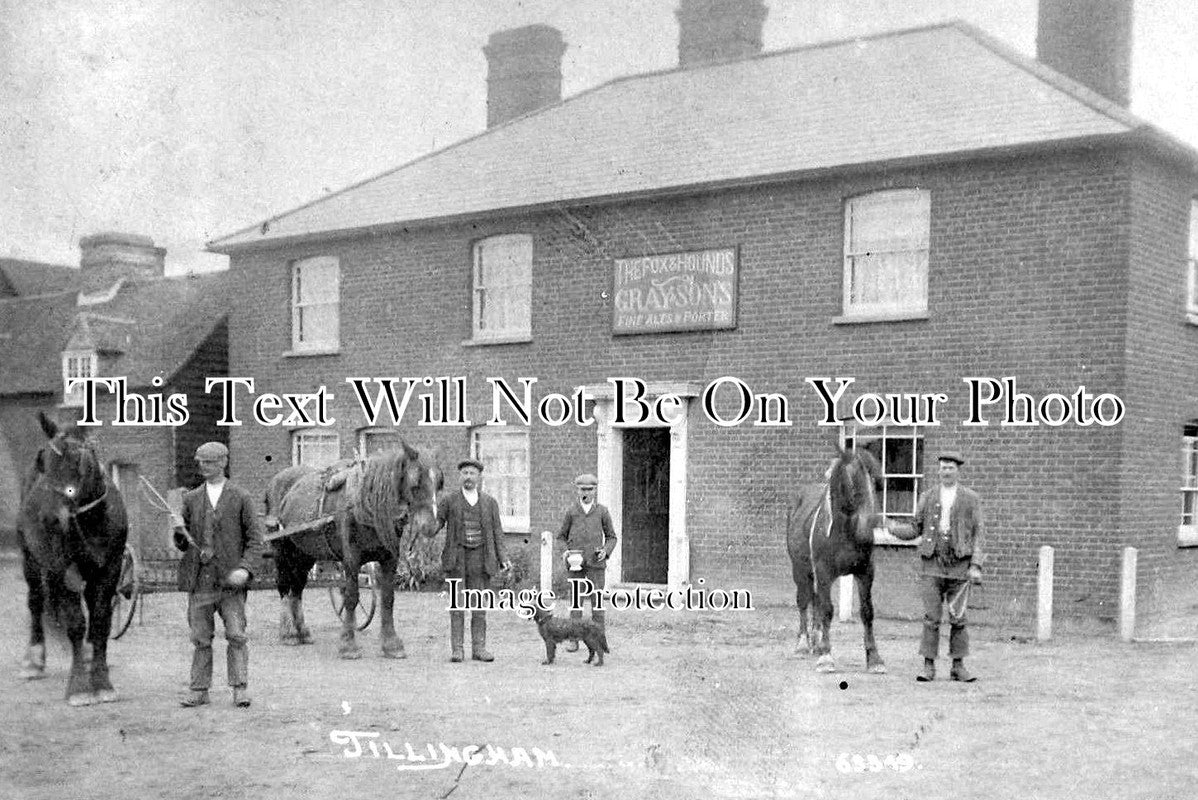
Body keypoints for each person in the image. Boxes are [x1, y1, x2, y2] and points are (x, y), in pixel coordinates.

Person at [170, 442, 265, 707]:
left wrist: (245, 570)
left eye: (209, 462)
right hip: (199, 582)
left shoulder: (241, 497)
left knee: (236, 635)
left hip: (230, 585)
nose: (203, 467)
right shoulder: (190, 499)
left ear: (223, 463)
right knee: (200, 638)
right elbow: (182, 545)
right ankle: (199, 690)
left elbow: (255, 540)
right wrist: (179, 531)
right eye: (200, 462)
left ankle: (240, 689)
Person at [890, 450, 985, 683]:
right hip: (931, 564)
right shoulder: (928, 496)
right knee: (931, 617)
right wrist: (891, 528)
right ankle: (928, 666)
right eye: (943, 467)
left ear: (958, 470)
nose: (946, 471)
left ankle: (958, 666)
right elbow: (915, 529)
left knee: (958, 618)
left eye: (951, 467)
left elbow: (979, 534)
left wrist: (975, 565)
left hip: (960, 565)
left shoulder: (971, 498)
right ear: (938, 470)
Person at [435, 459, 511, 663]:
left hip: (481, 559)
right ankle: (457, 650)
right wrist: (424, 522)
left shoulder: (489, 503)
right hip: (457, 559)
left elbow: (497, 533)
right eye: (465, 473)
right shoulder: (449, 501)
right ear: (460, 477)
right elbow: (436, 525)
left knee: (479, 606)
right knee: (457, 606)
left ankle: (479, 648)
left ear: (479, 477)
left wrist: (503, 558)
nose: (468, 477)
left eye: (472, 473)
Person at [556, 473, 617, 651]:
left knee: (597, 605)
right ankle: (574, 640)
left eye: (590, 489)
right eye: (583, 489)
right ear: (577, 490)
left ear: (595, 491)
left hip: (596, 566)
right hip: (577, 567)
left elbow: (612, 537)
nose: (586, 493)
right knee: (576, 603)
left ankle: (600, 641)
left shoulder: (602, 511)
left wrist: (605, 551)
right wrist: (566, 552)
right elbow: (561, 537)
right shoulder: (571, 512)